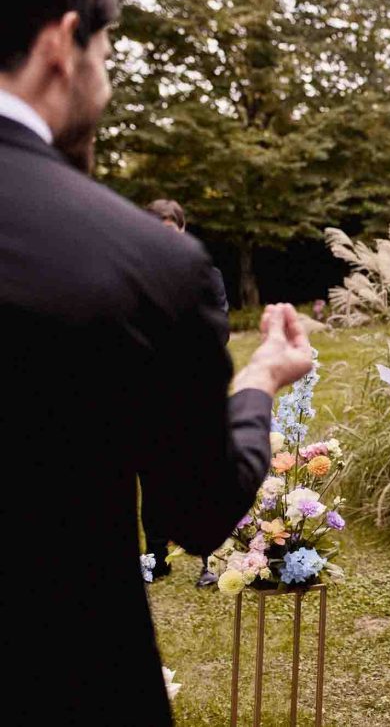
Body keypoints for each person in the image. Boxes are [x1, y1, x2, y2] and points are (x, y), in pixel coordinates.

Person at [0, 0, 314, 723]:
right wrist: (261, 380)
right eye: (106, 59)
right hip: (69, 678)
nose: (105, 87)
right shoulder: (143, 261)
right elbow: (200, 511)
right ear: (61, 44)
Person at [144, 197, 230, 588]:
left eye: (171, 232)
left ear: (182, 229)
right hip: (147, 386)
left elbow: (220, 329)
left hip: (192, 385)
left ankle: (208, 563)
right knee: (150, 476)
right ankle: (155, 558)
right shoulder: (135, 272)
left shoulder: (204, 273)